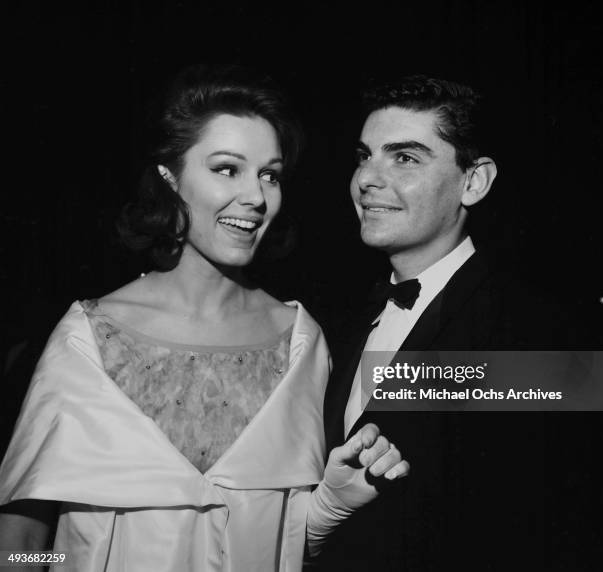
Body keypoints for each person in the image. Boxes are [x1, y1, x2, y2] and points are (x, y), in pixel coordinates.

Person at [0, 64, 409, 572]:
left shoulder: (303, 344)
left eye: (270, 174)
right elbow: (19, 538)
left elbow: (281, 536)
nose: (256, 197)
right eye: (226, 169)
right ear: (170, 178)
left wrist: (331, 504)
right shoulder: (87, 337)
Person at [320, 76, 600, 570]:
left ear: (473, 182)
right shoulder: (345, 321)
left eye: (404, 157)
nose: (367, 179)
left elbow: (553, 521)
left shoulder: (534, 330)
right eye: (365, 155)